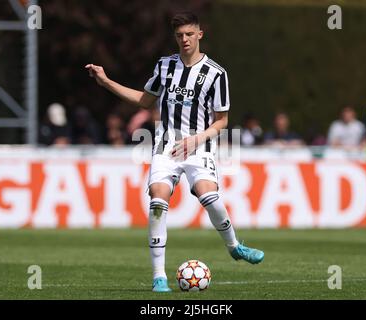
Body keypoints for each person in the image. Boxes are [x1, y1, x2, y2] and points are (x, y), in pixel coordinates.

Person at [85, 12, 264, 293]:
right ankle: (158, 277)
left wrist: (196, 140)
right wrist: (106, 81)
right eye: (180, 35)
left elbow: (222, 121)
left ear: (200, 34)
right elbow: (145, 101)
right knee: (158, 200)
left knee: (209, 195)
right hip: (165, 145)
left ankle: (234, 246)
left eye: (190, 34)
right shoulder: (165, 66)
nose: (185, 40)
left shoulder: (216, 74)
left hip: (199, 145)